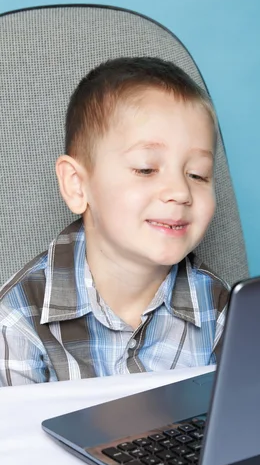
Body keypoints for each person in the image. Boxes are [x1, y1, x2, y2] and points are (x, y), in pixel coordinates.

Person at [0, 57, 229, 386]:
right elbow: (16, 436)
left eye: (198, 174)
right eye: (146, 169)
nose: (181, 191)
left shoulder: (220, 309)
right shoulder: (16, 320)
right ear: (78, 185)